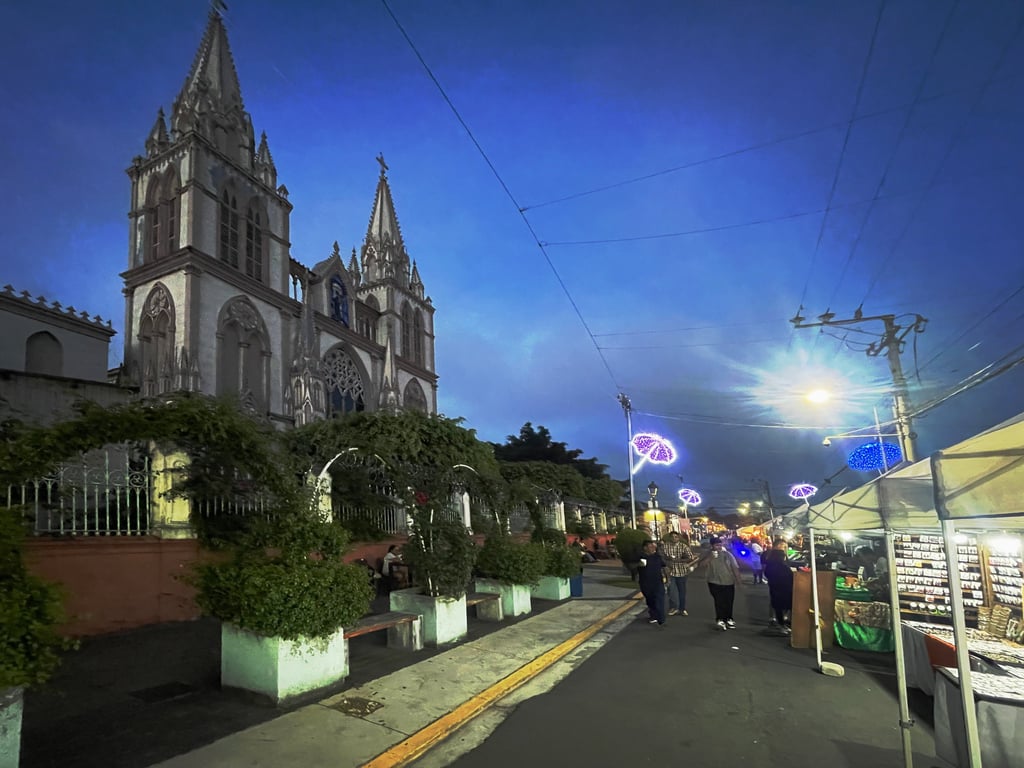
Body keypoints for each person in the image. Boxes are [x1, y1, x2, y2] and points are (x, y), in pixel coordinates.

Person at [701, 536, 742, 630]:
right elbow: (701, 565)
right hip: (714, 581)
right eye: (716, 545)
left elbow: (735, 568)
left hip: (728, 581)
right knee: (719, 601)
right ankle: (720, 619)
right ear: (712, 546)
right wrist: (710, 558)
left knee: (729, 601)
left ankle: (729, 618)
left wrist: (738, 581)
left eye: (720, 545)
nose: (719, 547)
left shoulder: (727, 555)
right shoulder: (707, 554)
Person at [659, 531, 695, 616]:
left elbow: (690, 558)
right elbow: (661, 557)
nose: (674, 538)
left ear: (679, 538)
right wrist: (666, 562)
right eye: (672, 537)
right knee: (671, 590)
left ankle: (682, 608)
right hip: (670, 572)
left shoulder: (683, 546)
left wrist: (680, 560)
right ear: (670, 538)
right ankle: (673, 607)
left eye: (676, 537)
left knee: (682, 591)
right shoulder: (665, 546)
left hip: (681, 571)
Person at [763, 538, 794, 634]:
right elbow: (782, 569)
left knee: (778, 604)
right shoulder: (778, 556)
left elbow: (767, 570)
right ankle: (781, 624)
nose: (785, 548)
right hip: (781, 585)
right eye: (784, 546)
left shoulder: (771, 556)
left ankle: (780, 623)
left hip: (776, 584)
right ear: (779, 546)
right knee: (780, 604)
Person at [637, 540, 668, 625]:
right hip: (646, 583)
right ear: (645, 548)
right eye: (650, 547)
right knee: (650, 600)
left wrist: (668, 578)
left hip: (658, 582)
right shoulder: (641, 557)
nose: (652, 548)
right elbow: (636, 568)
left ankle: (661, 618)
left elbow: (664, 567)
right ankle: (653, 615)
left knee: (659, 600)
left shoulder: (657, 557)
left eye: (653, 547)